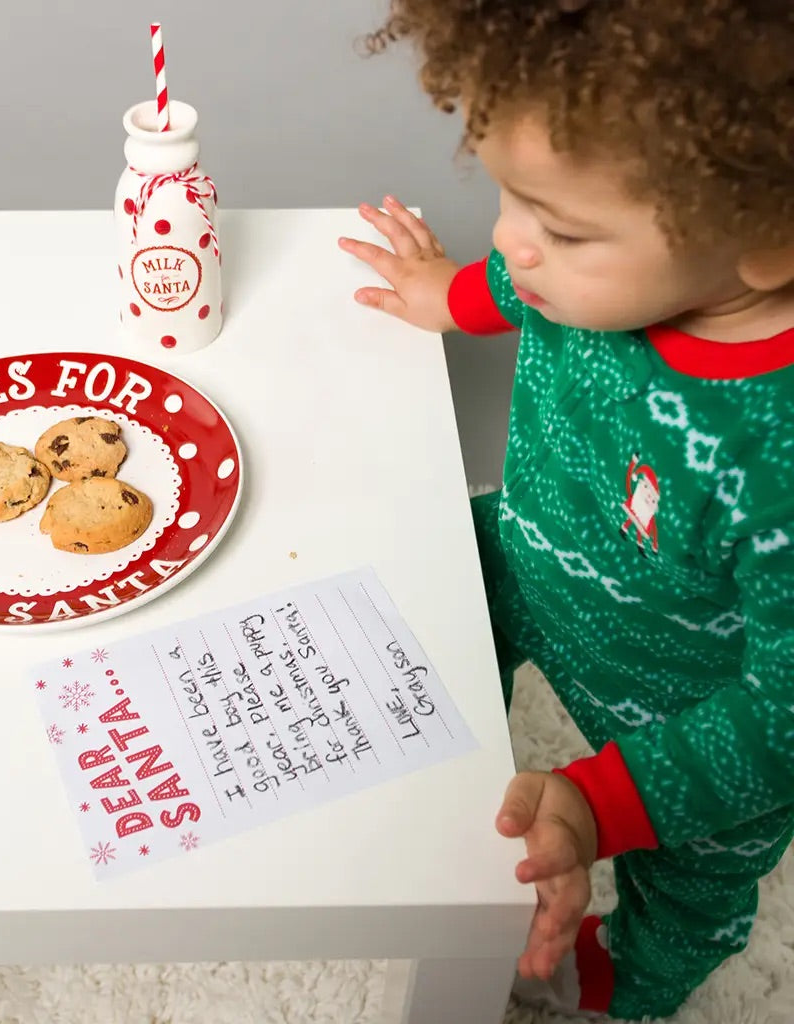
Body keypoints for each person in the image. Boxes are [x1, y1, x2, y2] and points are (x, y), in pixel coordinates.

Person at [337, 1, 794, 1018]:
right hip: (532, 554)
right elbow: (518, 275)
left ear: (768, 238)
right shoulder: (593, 263)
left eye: (562, 227)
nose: (512, 240)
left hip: (685, 727)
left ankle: (621, 975)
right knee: (425, 575)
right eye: (507, 196)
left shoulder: (777, 454)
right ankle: (443, 787)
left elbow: (783, 712)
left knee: (687, 893)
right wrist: (446, 294)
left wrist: (601, 802)